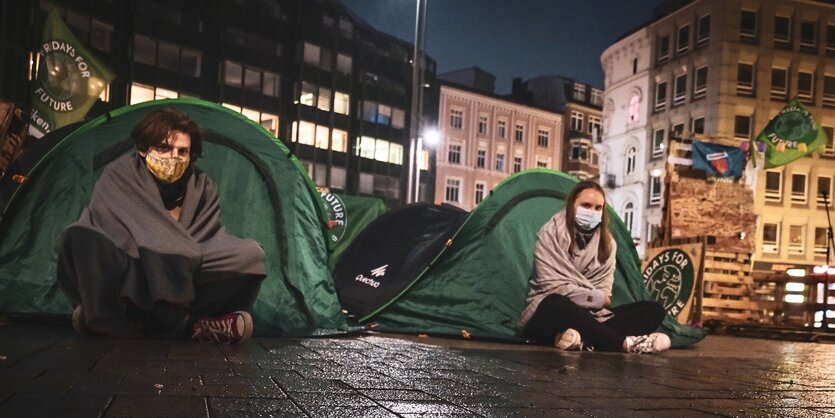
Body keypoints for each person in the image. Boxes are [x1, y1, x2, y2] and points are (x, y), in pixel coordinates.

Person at [57, 108, 266, 344]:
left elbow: (206, 236)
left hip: (190, 262)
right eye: (164, 148)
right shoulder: (119, 175)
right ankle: (190, 327)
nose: (173, 157)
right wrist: (169, 249)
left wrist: (178, 252)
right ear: (144, 149)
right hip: (132, 261)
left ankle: (161, 324)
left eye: (182, 151)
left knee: (250, 255)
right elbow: (115, 231)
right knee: (80, 236)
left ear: (191, 154)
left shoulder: (201, 185)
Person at [518, 180, 670, 354]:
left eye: (598, 208)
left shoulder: (608, 244)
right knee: (554, 302)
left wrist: (586, 296)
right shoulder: (549, 233)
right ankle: (625, 344)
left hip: (591, 317)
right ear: (572, 205)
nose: (592, 212)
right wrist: (595, 297)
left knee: (654, 310)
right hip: (547, 316)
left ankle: (582, 340)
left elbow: (607, 298)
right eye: (586, 205)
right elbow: (552, 287)